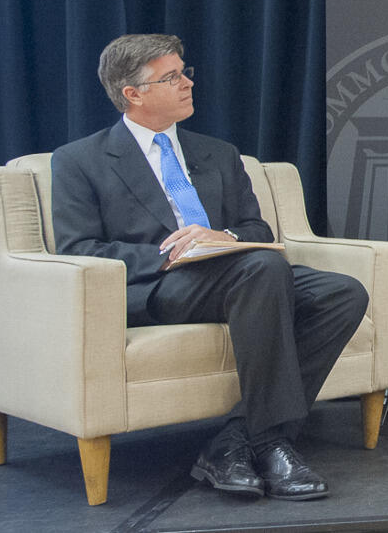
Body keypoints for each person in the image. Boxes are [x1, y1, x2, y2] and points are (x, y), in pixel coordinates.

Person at [50, 34, 370, 499]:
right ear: (133, 94)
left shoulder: (217, 153)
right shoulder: (81, 160)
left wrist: (227, 238)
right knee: (263, 270)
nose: (187, 84)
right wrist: (171, 253)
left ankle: (235, 440)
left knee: (343, 292)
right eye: (171, 77)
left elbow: (257, 229)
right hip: (160, 286)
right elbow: (80, 248)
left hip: (240, 272)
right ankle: (271, 442)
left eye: (185, 72)